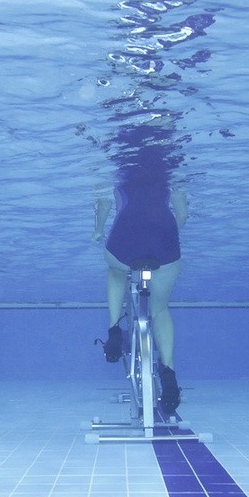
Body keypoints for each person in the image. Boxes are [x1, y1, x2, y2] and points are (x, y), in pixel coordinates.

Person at [92, 144, 188, 414]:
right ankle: (168, 374)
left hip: (126, 237)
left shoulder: (115, 165)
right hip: (164, 240)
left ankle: (113, 331)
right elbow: (183, 214)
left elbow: (104, 203)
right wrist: (166, 233)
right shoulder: (172, 166)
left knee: (115, 269)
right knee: (159, 308)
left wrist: (97, 231)